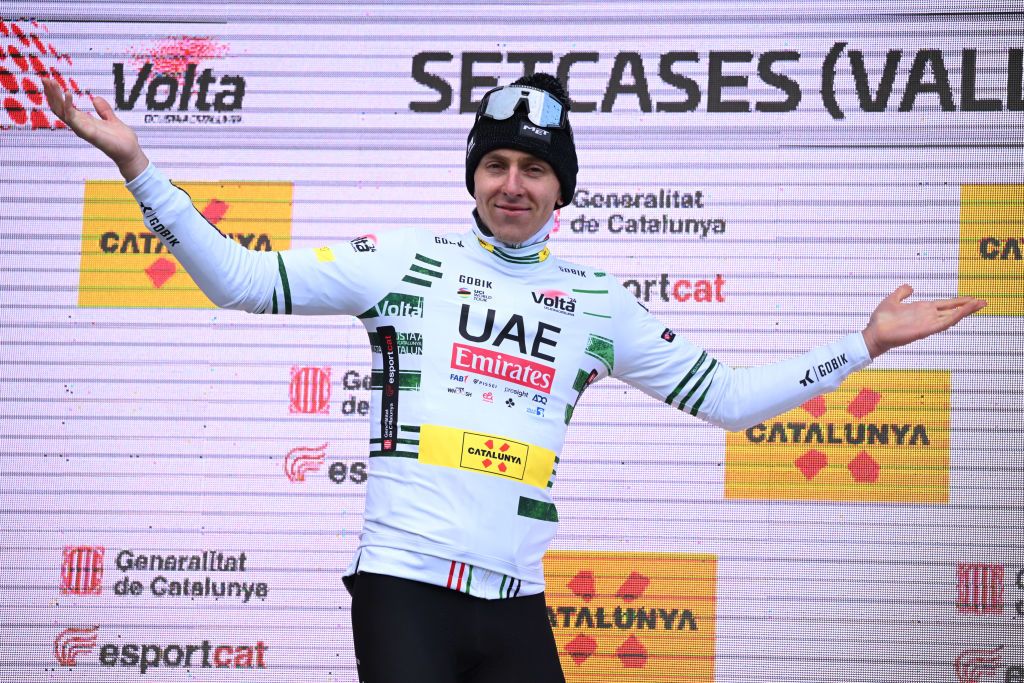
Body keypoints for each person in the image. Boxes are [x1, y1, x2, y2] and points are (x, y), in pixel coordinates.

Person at [43, 72, 985, 683]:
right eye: (495, 163)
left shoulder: (596, 301)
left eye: (535, 168)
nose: (512, 184)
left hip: (516, 603)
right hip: (403, 590)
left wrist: (863, 345)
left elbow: (731, 399)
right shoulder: (402, 259)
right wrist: (138, 166)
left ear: (561, 188)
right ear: (474, 176)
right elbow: (242, 281)